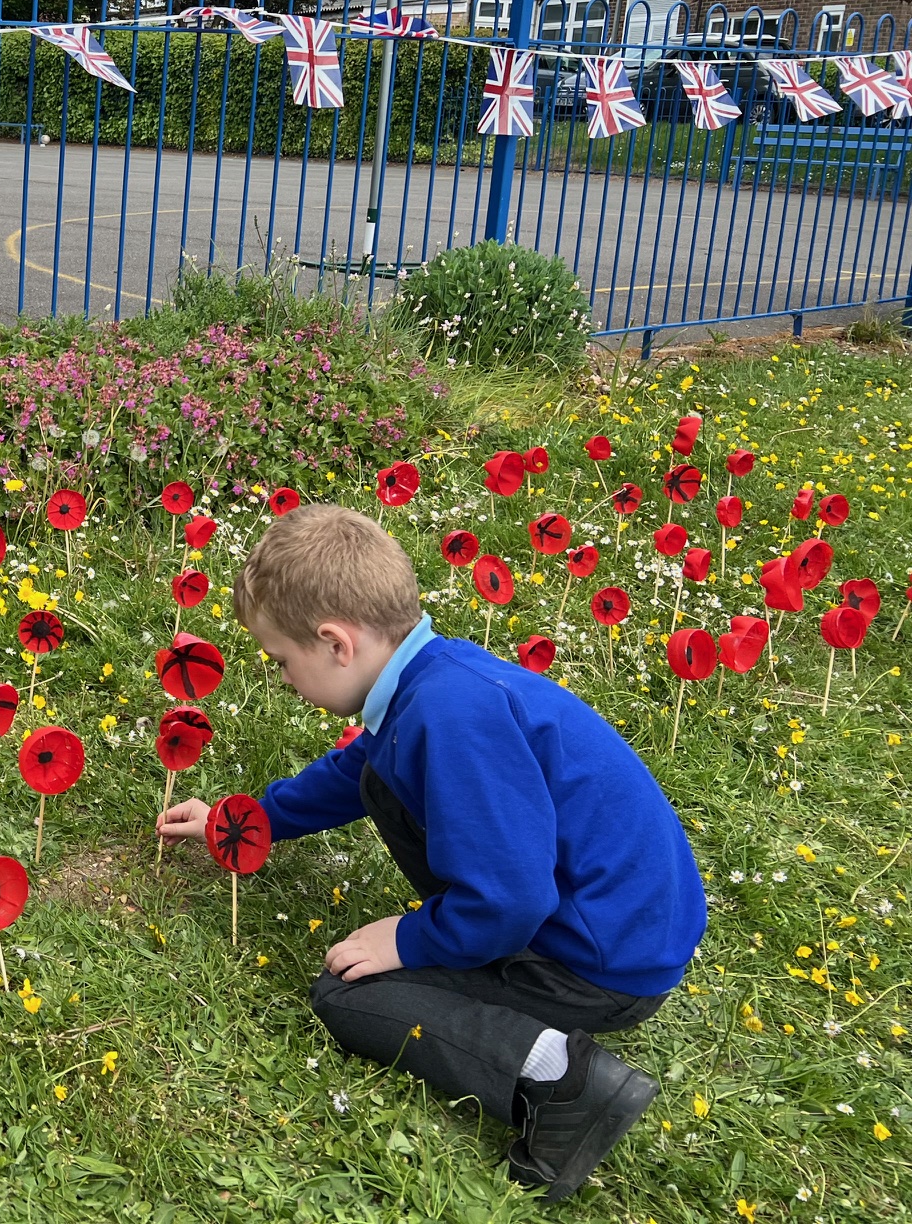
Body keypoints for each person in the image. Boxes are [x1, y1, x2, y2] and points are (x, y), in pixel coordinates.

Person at [159, 504, 705, 1201]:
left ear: (334, 643)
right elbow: (359, 775)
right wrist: (246, 822)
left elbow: (514, 898)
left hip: (602, 965)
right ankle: (490, 960)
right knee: (381, 782)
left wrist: (413, 938)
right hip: (614, 926)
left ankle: (565, 1081)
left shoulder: (450, 718)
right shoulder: (434, 679)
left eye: (281, 661)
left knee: (348, 994)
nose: (284, 679)